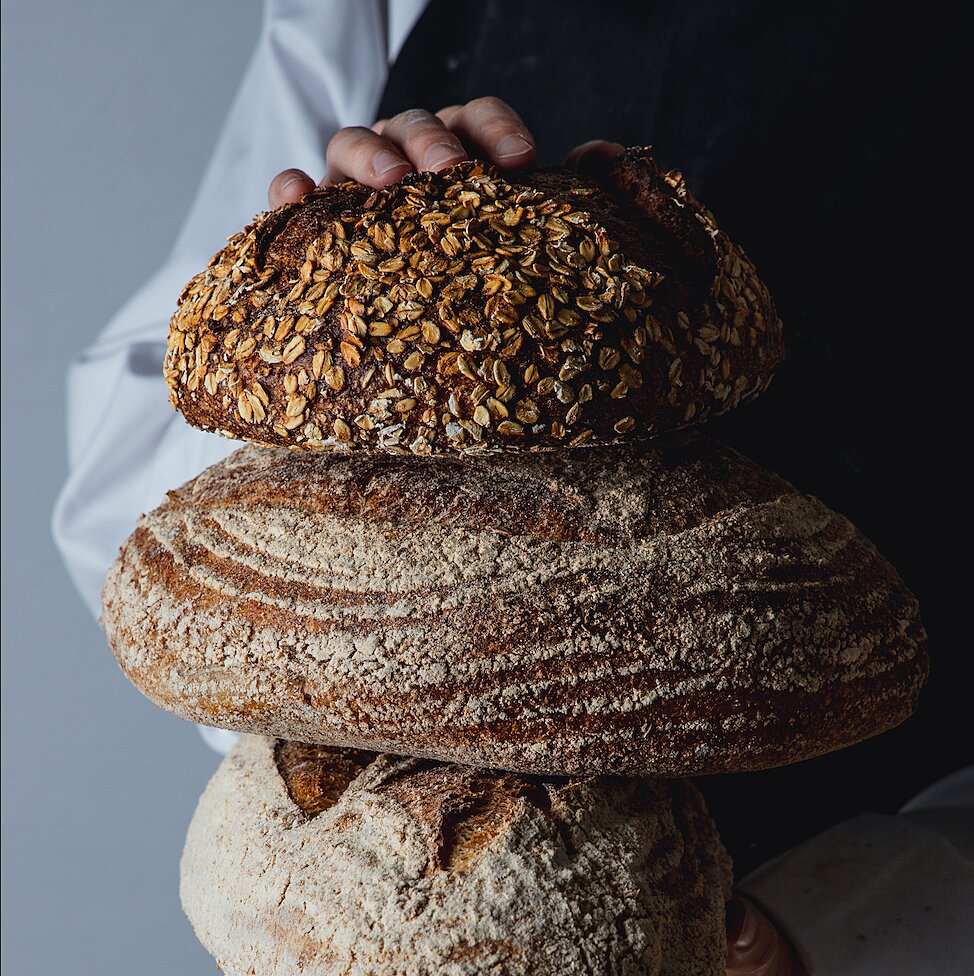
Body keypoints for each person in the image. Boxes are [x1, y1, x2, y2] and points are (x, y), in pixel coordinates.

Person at [52, 2, 971, 973]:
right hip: (345, 883)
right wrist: (346, 305)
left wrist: (859, 919)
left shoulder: (798, 590)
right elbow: (130, 459)